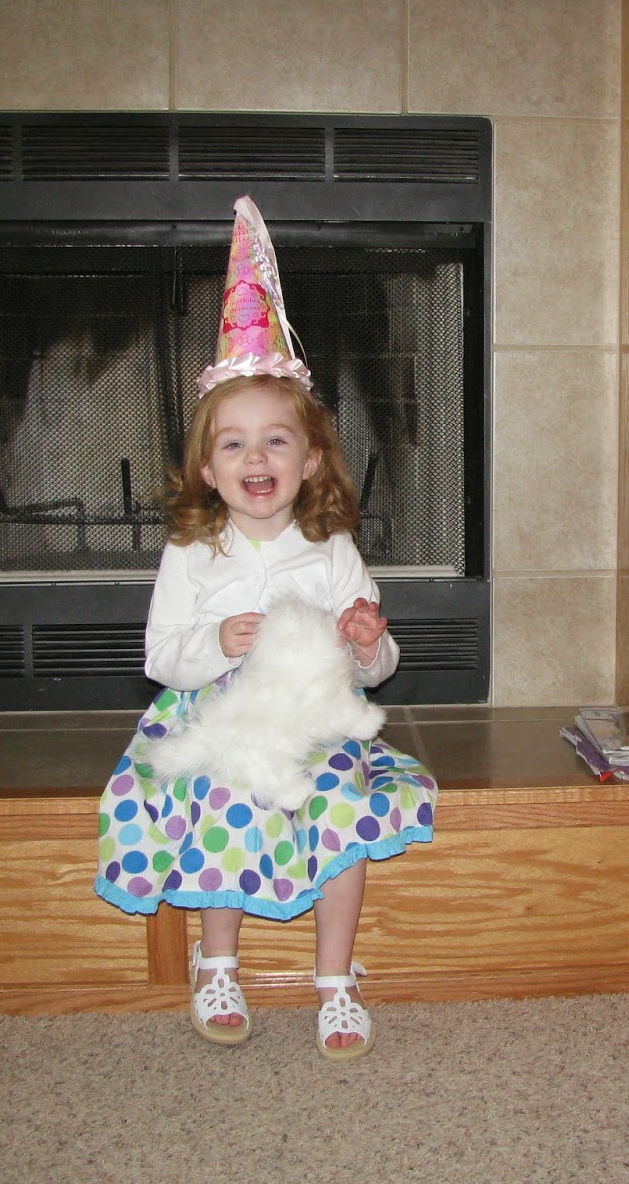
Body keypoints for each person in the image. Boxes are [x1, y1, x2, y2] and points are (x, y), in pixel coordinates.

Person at [95, 197, 437, 1061]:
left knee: (345, 807)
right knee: (223, 795)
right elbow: (160, 657)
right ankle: (217, 964)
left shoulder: (330, 549)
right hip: (213, 722)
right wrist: (217, 646)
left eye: (276, 442)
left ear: (310, 459)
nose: (257, 459)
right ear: (208, 470)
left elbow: (373, 672)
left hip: (315, 725)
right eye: (235, 445)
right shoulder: (192, 550)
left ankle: (335, 978)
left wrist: (366, 642)